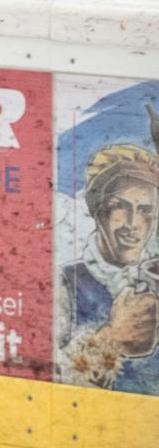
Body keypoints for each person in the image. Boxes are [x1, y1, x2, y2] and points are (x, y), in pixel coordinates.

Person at [56, 144, 159, 393]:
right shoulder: (64, 283)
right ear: (97, 210)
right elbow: (41, 380)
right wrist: (109, 339)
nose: (132, 224)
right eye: (119, 207)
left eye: (145, 211)